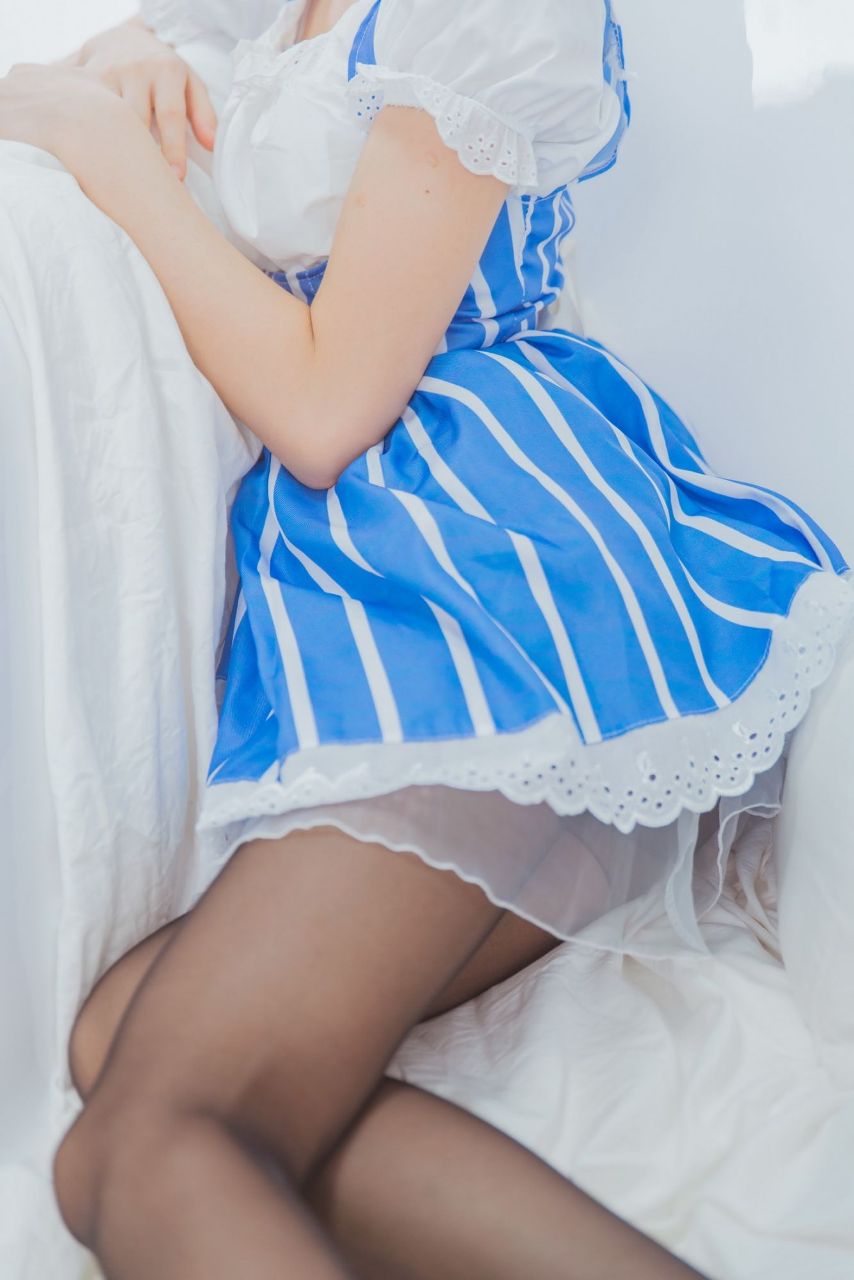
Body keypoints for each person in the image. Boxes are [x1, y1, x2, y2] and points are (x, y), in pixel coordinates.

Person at [0, 1, 849, 1276]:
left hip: (505, 566)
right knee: (115, 1045)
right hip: (378, 592)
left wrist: (112, 158)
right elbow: (102, 70)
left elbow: (324, 406)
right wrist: (124, 56)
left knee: (147, 1136)